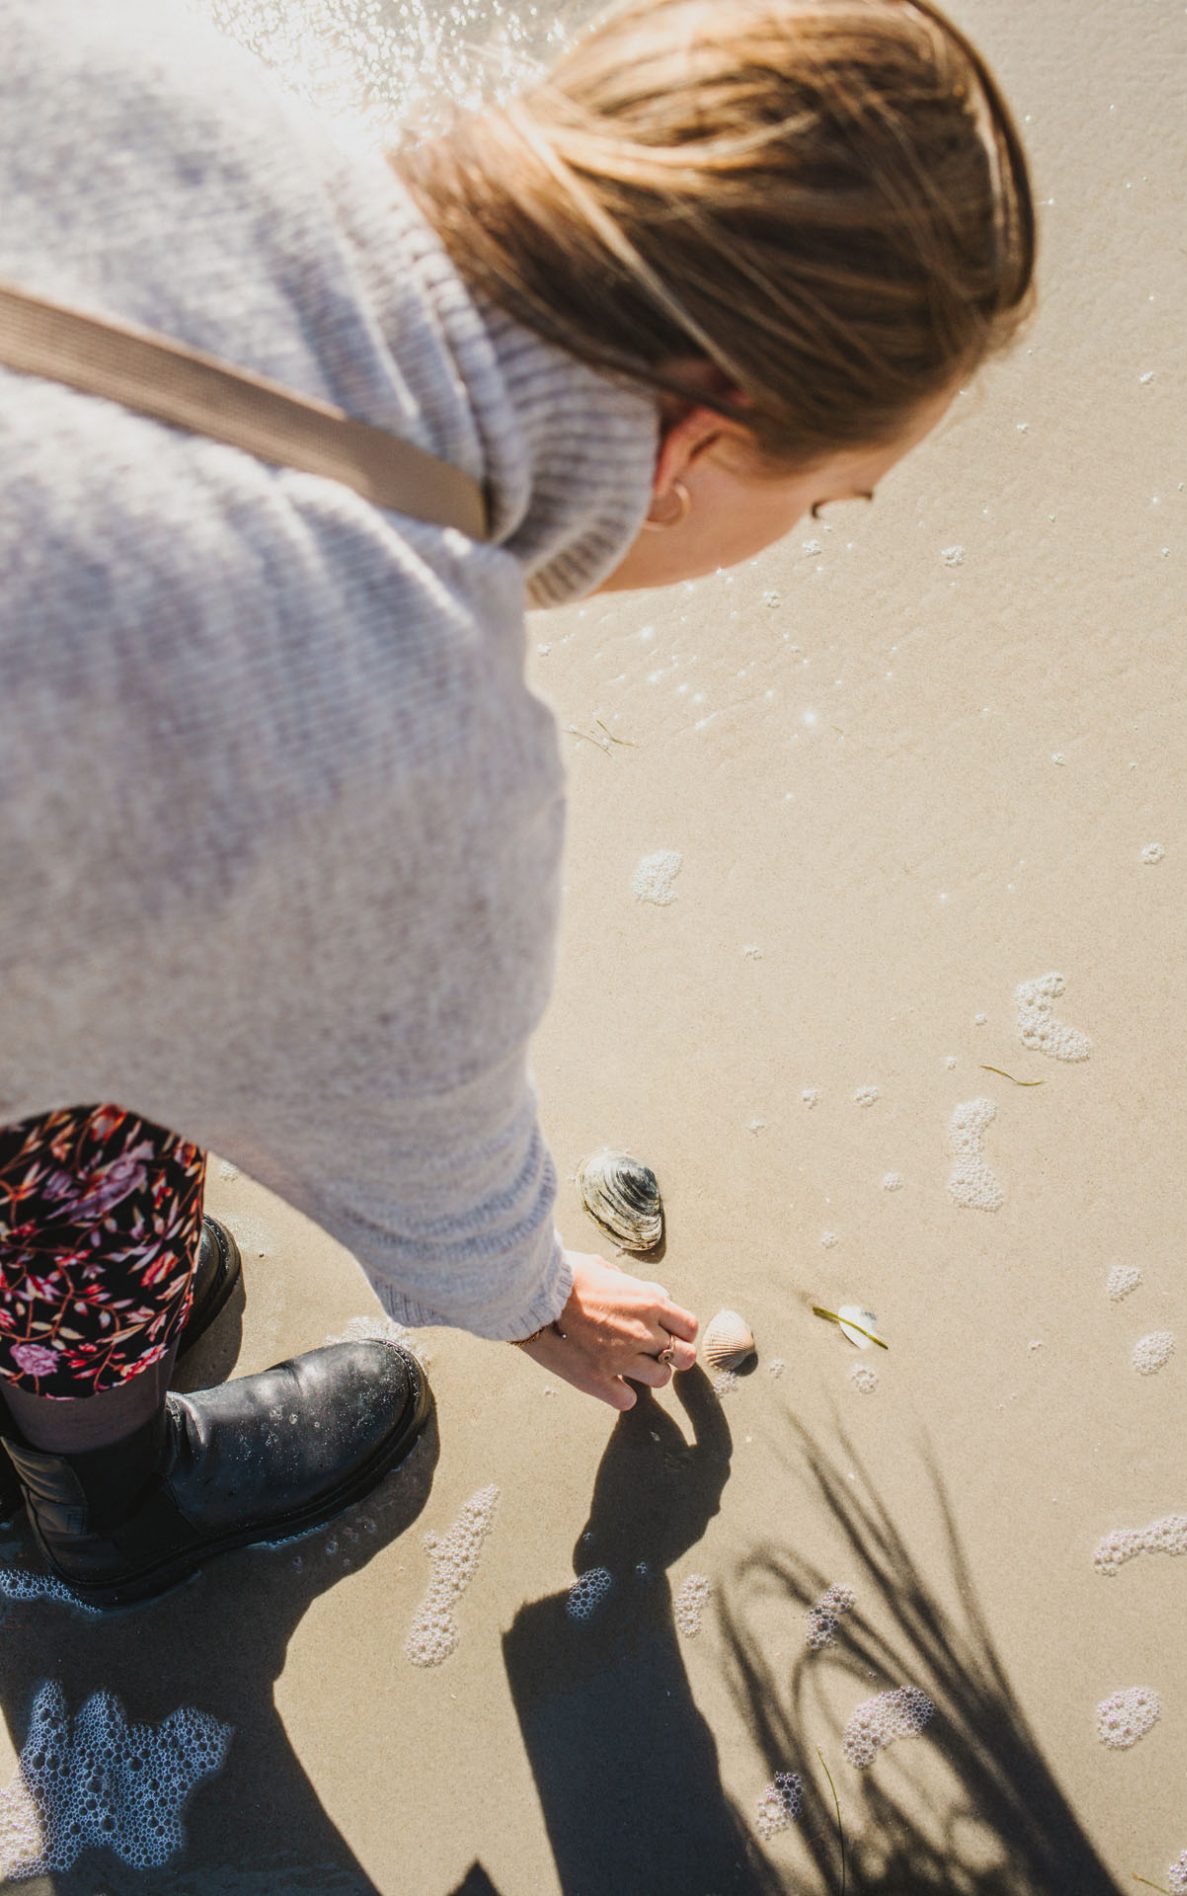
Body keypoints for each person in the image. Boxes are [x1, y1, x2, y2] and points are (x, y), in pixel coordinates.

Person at [0, 0, 1034, 1606]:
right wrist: (535, 1296)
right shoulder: (397, 712)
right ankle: (107, 1503)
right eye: (823, 500)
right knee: (88, 1177)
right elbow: (393, 1115)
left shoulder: (159, 74)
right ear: (697, 444)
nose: (810, 525)